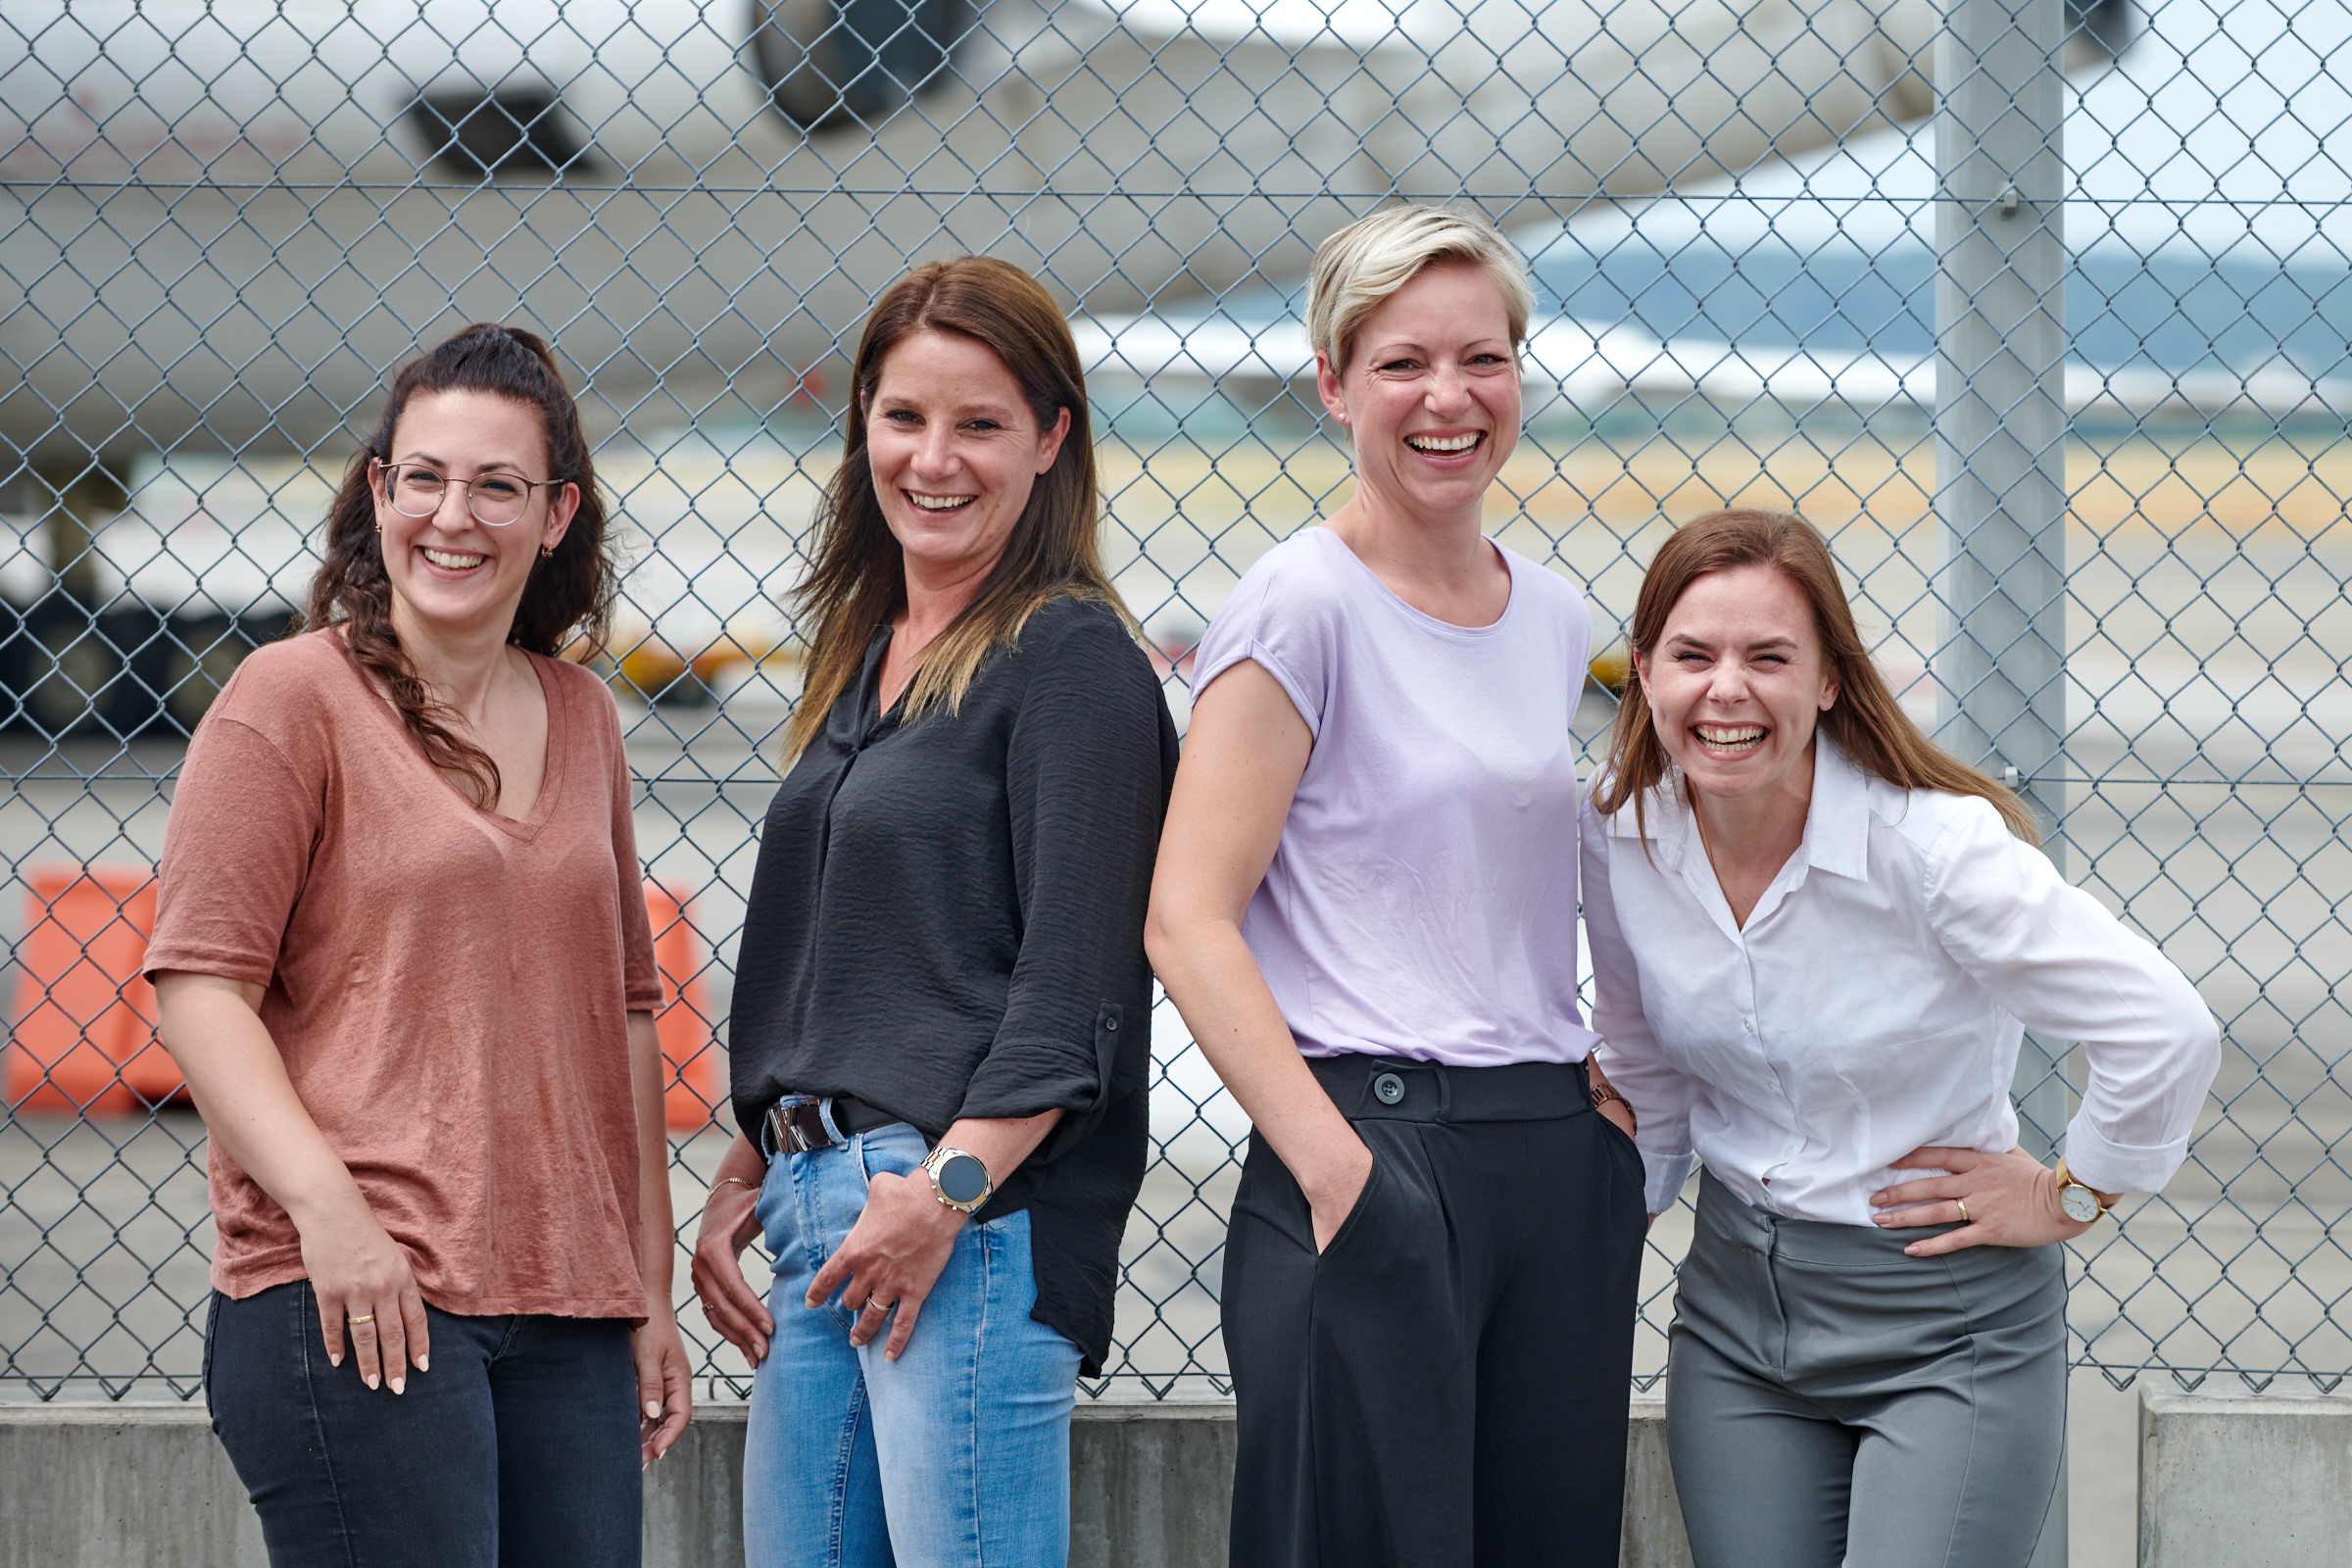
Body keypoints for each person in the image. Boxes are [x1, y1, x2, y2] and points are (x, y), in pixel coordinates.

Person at [1146, 204, 1647, 1568]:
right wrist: (1335, 1167)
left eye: (1482, 360)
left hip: (1550, 1158)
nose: (1449, 398)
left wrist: (1601, 1105)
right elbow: (1186, 916)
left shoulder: (1548, 614)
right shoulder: (1297, 607)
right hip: (1372, 1144)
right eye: (1402, 363)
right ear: (1332, 384)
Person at [146, 322, 692, 1568]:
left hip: (567, 1310)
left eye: (499, 485)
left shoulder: (584, 714)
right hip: (359, 1290)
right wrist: (332, 1217)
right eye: (428, 477)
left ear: (555, 516)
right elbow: (199, 985)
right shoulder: (289, 699)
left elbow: (623, 1012)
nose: (457, 515)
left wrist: (645, 1289)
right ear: (381, 491)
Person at [1581, 508, 2222, 1568]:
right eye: (1693, 655)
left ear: (1830, 678)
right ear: (1644, 671)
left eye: (1768, 657)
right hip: (1737, 1321)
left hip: (1942, 1323)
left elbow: (2164, 1026)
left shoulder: (1932, 850)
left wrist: (2073, 1191)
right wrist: (1605, 1235)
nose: (1726, 689)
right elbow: (1642, 1058)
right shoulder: (1622, 832)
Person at [689, 256, 1178, 1568]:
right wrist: (759, 1155)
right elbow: (863, 946)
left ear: (1051, 439)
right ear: (861, 426)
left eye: (980, 423)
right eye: (905, 418)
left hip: (961, 1218)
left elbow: (1073, 989)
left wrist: (942, 1194)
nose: (934, 458)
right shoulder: (869, 656)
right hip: (823, 1208)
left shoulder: (1071, 662)